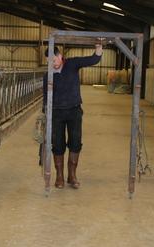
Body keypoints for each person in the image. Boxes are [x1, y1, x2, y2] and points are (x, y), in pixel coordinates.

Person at [43, 44, 103, 189]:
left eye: (53, 61)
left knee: (75, 142)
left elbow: (92, 60)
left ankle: (72, 175)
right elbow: (45, 97)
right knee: (57, 144)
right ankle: (59, 177)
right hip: (56, 113)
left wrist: (98, 51)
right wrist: (45, 114)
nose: (52, 64)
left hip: (74, 111)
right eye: (48, 62)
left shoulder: (72, 64)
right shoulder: (48, 75)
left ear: (59, 56)